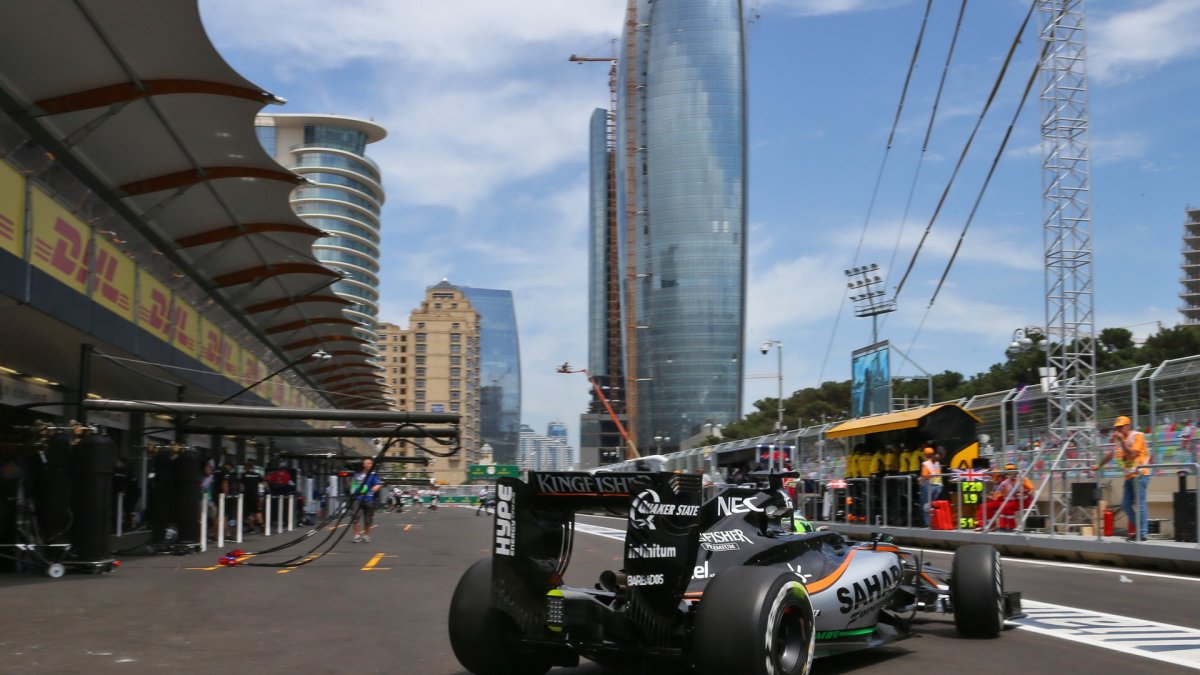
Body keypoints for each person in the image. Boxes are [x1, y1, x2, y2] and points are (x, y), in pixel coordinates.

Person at [1095, 415, 1150, 541]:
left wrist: (1122, 442)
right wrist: (1099, 465)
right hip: (1129, 476)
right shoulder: (1119, 440)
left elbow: (1133, 453)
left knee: (1140, 504)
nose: (1118, 429)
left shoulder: (1137, 436)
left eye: (1121, 427)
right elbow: (1111, 454)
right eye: (1117, 427)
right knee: (1125, 504)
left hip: (1140, 474)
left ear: (1128, 426)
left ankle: (1143, 533)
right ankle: (1139, 531)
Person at [977, 464, 1034, 532]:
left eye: (1011, 471)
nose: (1009, 473)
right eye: (1008, 471)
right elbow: (1000, 493)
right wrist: (992, 496)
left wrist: (1024, 494)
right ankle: (987, 525)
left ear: (1016, 471)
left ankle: (1010, 527)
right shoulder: (1005, 482)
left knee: (1005, 506)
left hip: (1023, 501)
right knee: (984, 506)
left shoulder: (1023, 479)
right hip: (1008, 500)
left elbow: (1031, 490)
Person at [350, 458, 382, 542]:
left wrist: (372, 490)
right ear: (364, 464)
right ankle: (357, 535)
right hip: (357, 498)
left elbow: (378, 485)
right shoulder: (357, 474)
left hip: (368, 499)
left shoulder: (373, 474)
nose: (371, 464)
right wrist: (353, 491)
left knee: (368, 519)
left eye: (371, 463)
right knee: (355, 517)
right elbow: (353, 484)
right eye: (369, 463)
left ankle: (366, 535)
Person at [919, 447, 942, 527]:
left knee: (926, 504)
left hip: (929, 486)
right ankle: (933, 522)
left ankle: (928, 523)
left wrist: (920, 481)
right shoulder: (937, 463)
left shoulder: (926, 464)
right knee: (933, 504)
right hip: (938, 486)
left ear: (925, 455)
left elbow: (924, 476)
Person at [240, 461, 264, 534]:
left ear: (246, 467)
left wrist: (241, 492)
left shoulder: (244, 475)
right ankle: (262, 526)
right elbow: (263, 484)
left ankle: (251, 528)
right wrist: (266, 493)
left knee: (249, 513)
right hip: (256, 496)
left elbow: (242, 486)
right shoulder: (257, 475)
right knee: (258, 511)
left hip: (248, 496)